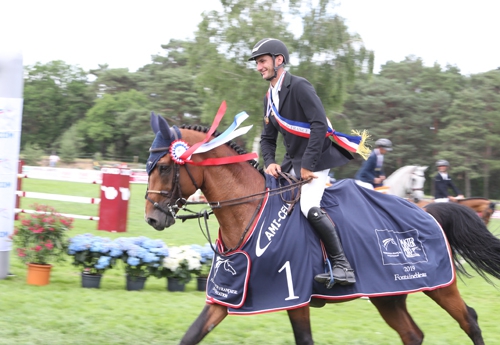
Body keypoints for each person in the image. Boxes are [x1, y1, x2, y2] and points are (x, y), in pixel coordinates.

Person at [249, 38, 356, 287]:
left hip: (316, 158)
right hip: (291, 161)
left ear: (279, 60)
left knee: (308, 206)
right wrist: (270, 162)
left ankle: (342, 266)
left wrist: (308, 164)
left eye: (262, 61)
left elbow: (319, 124)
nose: (259, 67)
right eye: (257, 63)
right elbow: (267, 138)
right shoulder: (269, 98)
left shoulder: (299, 86)